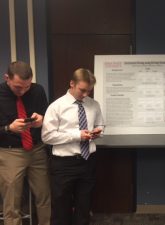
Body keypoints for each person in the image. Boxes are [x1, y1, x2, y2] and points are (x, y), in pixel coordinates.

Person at [41, 68, 104, 225]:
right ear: (72, 84)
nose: (85, 95)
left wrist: (98, 132)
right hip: (64, 164)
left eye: (88, 91)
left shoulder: (94, 104)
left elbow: (100, 125)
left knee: (84, 207)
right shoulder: (56, 106)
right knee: (61, 209)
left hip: (87, 160)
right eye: (82, 90)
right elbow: (47, 137)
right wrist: (77, 135)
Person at [0, 61, 51, 225]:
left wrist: (41, 120)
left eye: (27, 86)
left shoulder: (38, 90)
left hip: (37, 149)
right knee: (12, 202)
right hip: (10, 153)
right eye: (18, 87)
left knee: (44, 196)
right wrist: (9, 128)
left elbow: (47, 116)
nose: (22, 91)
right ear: (6, 78)